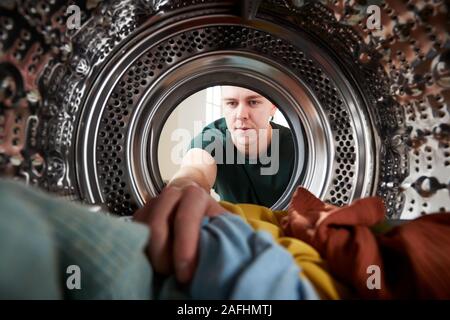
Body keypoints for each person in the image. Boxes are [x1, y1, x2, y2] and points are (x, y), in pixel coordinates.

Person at [168, 86, 295, 207]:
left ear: (273, 106)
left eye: (253, 102)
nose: (241, 115)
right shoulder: (212, 140)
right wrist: (183, 190)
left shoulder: (298, 146)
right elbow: (196, 170)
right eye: (232, 103)